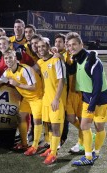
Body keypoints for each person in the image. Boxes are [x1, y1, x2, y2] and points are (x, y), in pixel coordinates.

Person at [0, 50, 43, 152]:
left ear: (15, 58)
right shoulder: (8, 72)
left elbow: (33, 87)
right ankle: (24, 144)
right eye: (6, 58)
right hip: (27, 98)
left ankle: (35, 146)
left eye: (10, 57)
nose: (8, 60)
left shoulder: (25, 69)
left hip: (38, 97)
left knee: (37, 121)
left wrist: (17, 84)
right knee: (21, 117)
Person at [66, 32, 107, 166]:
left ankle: (96, 152)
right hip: (88, 99)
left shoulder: (92, 60)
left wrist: (92, 104)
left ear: (81, 44)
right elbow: (72, 70)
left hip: (101, 100)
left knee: (99, 127)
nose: (71, 47)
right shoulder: (76, 58)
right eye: (69, 45)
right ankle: (87, 156)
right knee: (84, 126)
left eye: (74, 44)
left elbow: (97, 85)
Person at [37, 37, 67, 165]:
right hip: (46, 99)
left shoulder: (56, 60)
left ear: (49, 47)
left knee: (55, 127)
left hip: (56, 100)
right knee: (48, 125)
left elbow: (62, 80)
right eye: (38, 47)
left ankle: (54, 153)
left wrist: (56, 99)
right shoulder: (40, 62)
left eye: (43, 46)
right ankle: (50, 149)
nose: (41, 49)